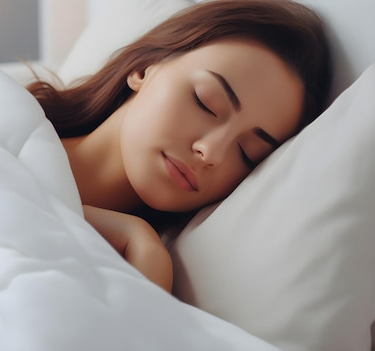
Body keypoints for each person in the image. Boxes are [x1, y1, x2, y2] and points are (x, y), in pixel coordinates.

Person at [26, 0, 332, 292]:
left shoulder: (145, 260)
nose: (211, 153)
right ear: (145, 67)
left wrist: (142, 245)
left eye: (247, 154)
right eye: (206, 102)